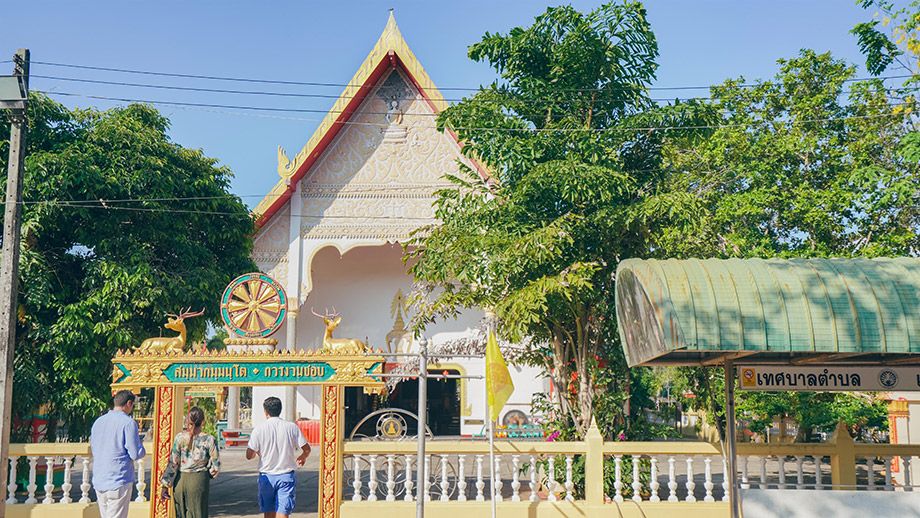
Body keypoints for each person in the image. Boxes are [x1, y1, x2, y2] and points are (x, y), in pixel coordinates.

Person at [246, 397, 311, 518]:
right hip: (286, 475)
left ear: (265, 412)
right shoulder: (291, 427)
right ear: (280, 410)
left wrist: (258, 452)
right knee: (284, 512)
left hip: (266, 476)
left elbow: (249, 455)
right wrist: (303, 456)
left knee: (268, 513)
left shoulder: (259, 430)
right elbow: (307, 449)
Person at [90, 389, 147, 518]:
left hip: (100, 479)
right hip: (118, 479)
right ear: (129, 403)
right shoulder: (128, 423)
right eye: (132, 405)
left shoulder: (98, 422)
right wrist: (140, 445)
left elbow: (95, 448)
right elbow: (135, 453)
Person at [159, 406, 221, 518]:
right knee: (199, 513)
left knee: (181, 514)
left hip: (180, 481)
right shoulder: (209, 440)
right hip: (199, 481)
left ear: (188, 421)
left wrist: (165, 485)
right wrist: (208, 475)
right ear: (203, 420)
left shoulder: (180, 438)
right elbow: (215, 466)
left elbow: (173, 463)